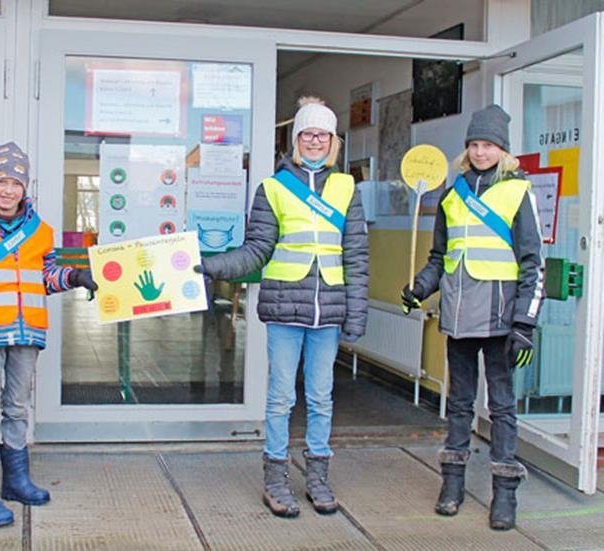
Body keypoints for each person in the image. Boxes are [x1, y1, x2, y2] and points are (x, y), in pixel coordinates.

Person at [196, 97, 369, 517]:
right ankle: (275, 479)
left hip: (327, 312)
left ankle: (317, 478)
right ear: (296, 140)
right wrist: (211, 265)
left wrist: (356, 312)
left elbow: (357, 255)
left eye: (322, 135)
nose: (314, 141)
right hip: (283, 310)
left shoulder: (347, 188)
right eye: (307, 134)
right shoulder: (273, 187)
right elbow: (256, 250)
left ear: (333, 142)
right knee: (279, 400)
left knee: (322, 398)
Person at [401, 104, 543, 530]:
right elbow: (439, 258)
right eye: (475, 144)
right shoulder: (452, 194)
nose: (481, 152)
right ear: (466, 149)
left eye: (489, 145)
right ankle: (453, 485)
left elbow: (534, 262)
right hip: (459, 316)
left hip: (501, 319)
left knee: (501, 406)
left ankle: (504, 495)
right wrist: (419, 288)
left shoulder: (519, 191)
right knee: (459, 404)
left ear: (503, 149)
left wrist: (525, 324)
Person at [0, 141, 98, 528]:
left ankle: (15, 480)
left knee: (16, 407)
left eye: (16, 182)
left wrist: (75, 277)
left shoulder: (40, 231)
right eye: (1, 180)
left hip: (27, 332)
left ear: (25, 187)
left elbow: (46, 277)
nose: (8, 189)